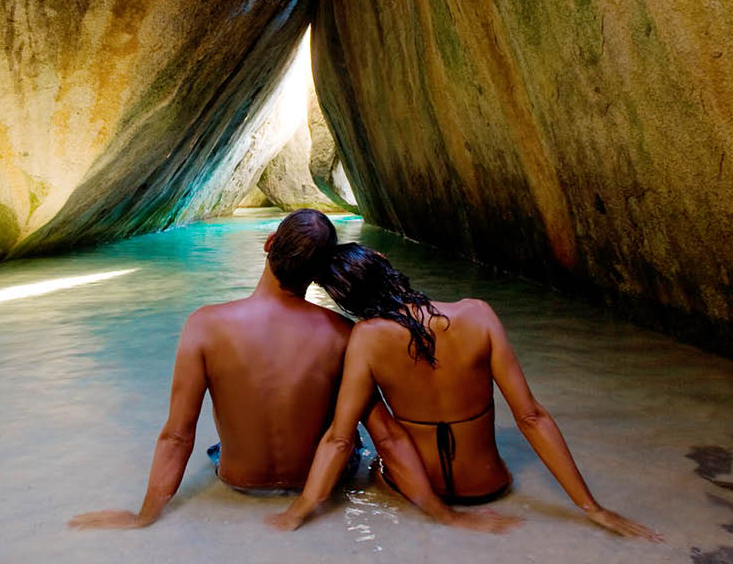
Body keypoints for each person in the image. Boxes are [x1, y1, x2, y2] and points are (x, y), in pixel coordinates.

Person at [69, 210, 518, 532]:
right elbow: (388, 436)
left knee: (217, 443)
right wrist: (446, 515)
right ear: (320, 273)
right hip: (321, 482)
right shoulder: (343, 333)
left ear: (268, 245)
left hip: (238, 482)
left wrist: (144, 517)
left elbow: (176, 436)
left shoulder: (204, 326)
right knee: (352, 435)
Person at [265, 242, 662, 541]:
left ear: (347, 301)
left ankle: (435, 512)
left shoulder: (365, 339)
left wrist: (300, 509)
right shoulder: (478, 314)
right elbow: (531, 417)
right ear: (386, 266)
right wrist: (592, 508)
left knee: (360, 422)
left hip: (413, 490)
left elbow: (339, 437)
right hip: (489, 486)